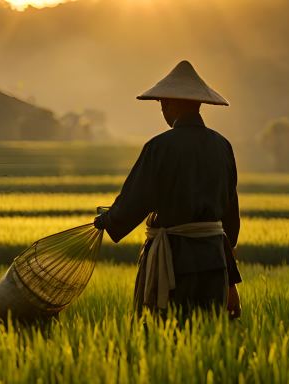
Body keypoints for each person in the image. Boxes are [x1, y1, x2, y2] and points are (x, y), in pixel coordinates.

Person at [94, 60, 242, 320]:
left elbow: (134, 202)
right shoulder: (223, 147)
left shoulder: (159, 147)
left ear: (170, 104)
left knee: (169, 339)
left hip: (174, 265)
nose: (162, 110)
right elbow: (230, 224)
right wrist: (230, 280)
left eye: (162, 104)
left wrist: (107, 220)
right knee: (207, 343)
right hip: (215, 265)